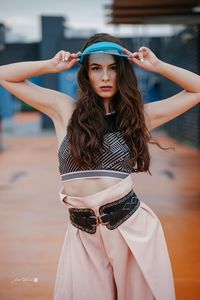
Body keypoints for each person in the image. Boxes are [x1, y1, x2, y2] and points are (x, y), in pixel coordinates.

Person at [0, 33, 199, 300]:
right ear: (86, 73)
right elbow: (4, 75)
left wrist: (158, 66)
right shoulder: (64, 109)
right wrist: (49, 65)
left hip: (131, 229)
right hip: (83, 234)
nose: (105, 77)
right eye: (96, 68)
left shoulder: (138, 116)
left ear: (123, 73)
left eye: (113, 68)